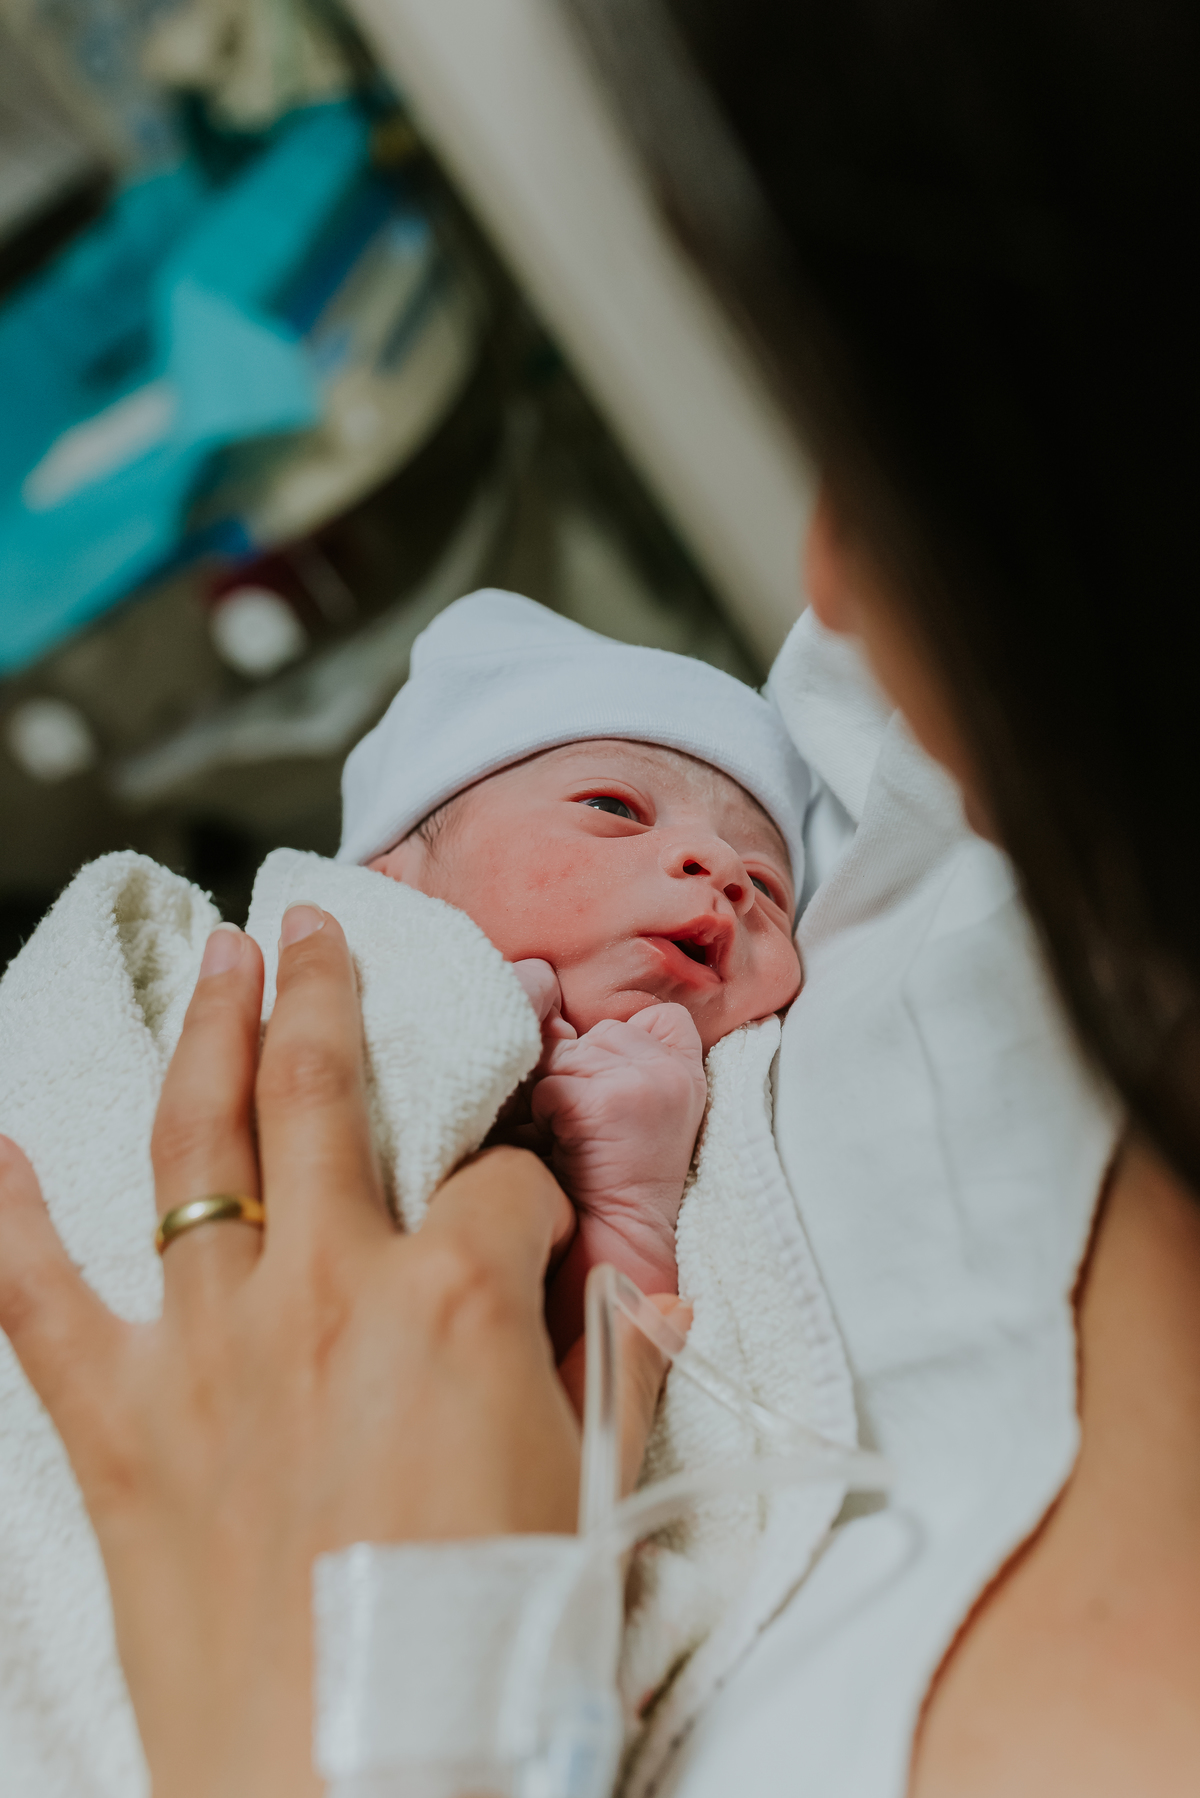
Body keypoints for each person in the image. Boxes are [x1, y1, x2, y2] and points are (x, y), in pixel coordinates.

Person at [0, 2, 1197, 1795]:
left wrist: (326, 1735)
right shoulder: (888, 783)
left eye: (759, 879)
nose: (825, 586)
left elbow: (613, 1385)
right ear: (397, 867)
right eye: (616, 810)